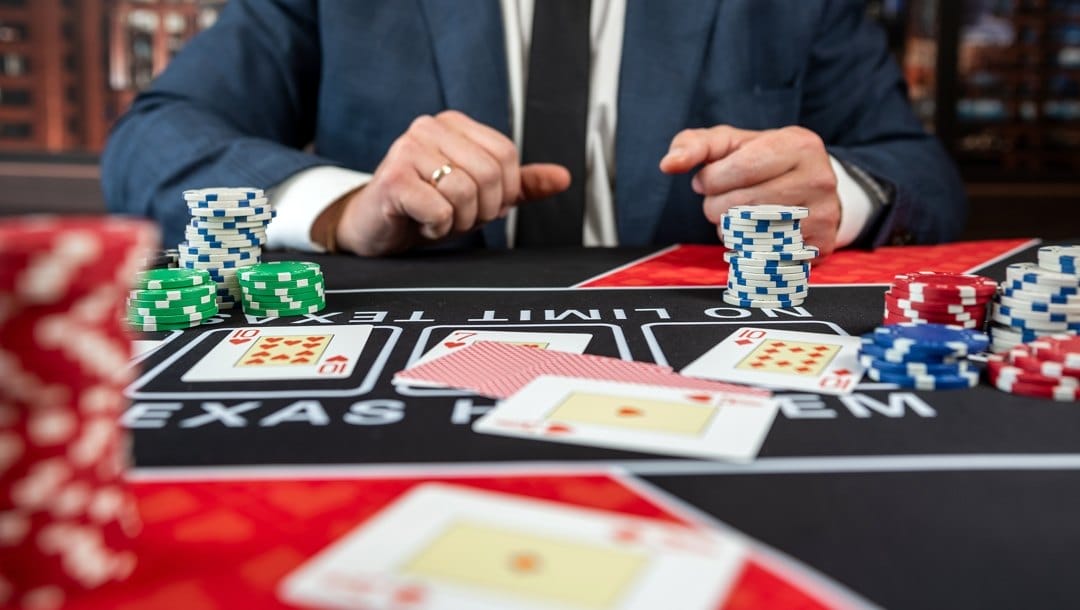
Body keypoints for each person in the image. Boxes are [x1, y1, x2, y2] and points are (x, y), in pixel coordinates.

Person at [102, 0, 966, 259]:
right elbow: (155, 141)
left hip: (699, 366)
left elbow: (918, 175)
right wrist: (347, 206)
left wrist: (838, 194)